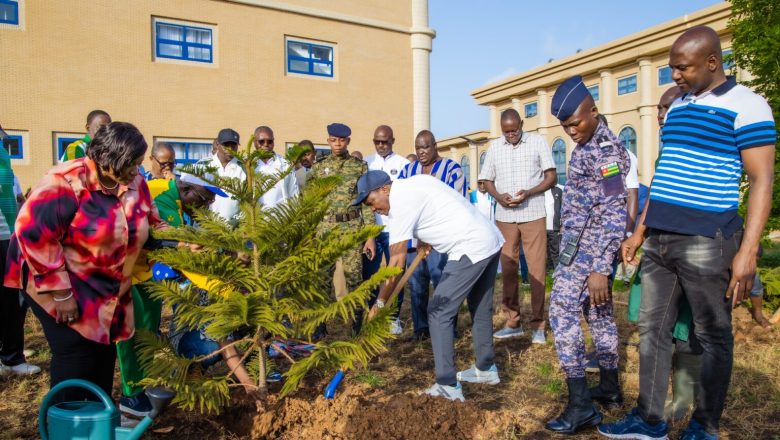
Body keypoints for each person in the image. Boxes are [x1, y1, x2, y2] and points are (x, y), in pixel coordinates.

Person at [601, 26, 776, 440]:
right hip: (660, 239)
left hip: (707, 241)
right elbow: (664, 175)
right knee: (652, 330)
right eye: (672, 68)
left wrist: (748, 252)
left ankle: (704, 426)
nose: (675, 76)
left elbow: (762, 180)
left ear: (712, 62)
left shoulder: (749, 106)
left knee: (712, 335)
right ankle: (649, 421)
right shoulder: (678, 106)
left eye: (682, 68)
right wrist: (640, 231)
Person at [4, 122, 166, 402]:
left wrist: (184, 240)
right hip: (53, 279)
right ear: (107, 159)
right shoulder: (65, 181)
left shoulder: (136, 183)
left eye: (139, 163)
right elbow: (35, 236)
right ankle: (68, 422)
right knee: (76, 351)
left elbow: (152, 221)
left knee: (104, 346)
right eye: (130, 163)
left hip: (102, 279)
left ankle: (98, 416)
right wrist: (61, 293)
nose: (136, 170)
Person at [355, 170, 503, 402]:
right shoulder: (414, 183)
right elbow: (437, 206)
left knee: (438, 311)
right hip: (489, 239)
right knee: (480, 307)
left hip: (469, 246)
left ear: (384, 189)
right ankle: (485, 370)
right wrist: (424, 240)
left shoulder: (400, 203)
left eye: (371, 202)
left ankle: (447, 385)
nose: (373, 209)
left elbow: (395, 263)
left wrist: (380, 302)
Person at [544, 75, 630, 434]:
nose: (571, 131)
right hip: (579, 248)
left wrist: (599, 267)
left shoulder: (606, 152)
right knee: (599, 315)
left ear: (594, 111)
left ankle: (581, 406)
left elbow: (614, 212)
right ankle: (609, 389)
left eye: (576, 123)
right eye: (565, 126)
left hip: (589, 252)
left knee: (561, 314)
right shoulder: (587, 145)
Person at [478, 108, 556, 344]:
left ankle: (538, 324)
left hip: (532, 213)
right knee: (509, 268)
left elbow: (552, 177)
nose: (511, 135)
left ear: (522, 123)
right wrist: (499, 197)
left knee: (535, 269)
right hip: (505, 215)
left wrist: (529, 193)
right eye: (506, 131)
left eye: (514, 130)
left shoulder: (538, 142)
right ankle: (513, 321)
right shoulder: (494, 147)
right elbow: (486, 180)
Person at [398, 130, 466, 340]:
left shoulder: (452, 169)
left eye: (426, 147)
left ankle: (446, 330)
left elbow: (456, 204)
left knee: (442, 285)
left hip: (440, 242)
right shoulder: (408, 170)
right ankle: (421, 329)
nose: (421, 152)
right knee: (417, 286)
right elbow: (400, 200)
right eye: (418, 147)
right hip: (414, 241)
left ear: (435, 146)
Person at [307, 123, 376, 323]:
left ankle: (356, 325)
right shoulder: (318, 168)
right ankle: (318, 327)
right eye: (334, 140)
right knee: (321, 279)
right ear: (328, 141)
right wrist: (309, 234)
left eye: (342, 140)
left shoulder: (359, 166)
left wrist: (370, 236)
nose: (338, 144)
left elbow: (366, 203)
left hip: (352, 230)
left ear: (348, 141)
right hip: (325, 230)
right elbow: (311, 203)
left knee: (354, 278)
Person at [0, 125, 40, 376]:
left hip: (7, 235)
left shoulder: (6, 166)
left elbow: (15, 198)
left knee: (13, 299)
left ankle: (11, 355)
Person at [364, 125, 410, 334]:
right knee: (372, 274)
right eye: (377, 142)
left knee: (394, 271)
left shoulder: (403, 164)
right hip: (373, 229)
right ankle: (373, 314)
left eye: (385, 142)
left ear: (393, 141)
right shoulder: (366, 163)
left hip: (395, 228)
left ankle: (393, 317)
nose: (381, 145)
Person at [198, 128, 246, 223]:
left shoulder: (244, 168)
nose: (230, 149)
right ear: (217, 144)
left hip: (235, 228)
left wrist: (236, 222)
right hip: (207, 226)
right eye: (226, 145)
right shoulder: (202, 165)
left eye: (234, 145)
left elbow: (248, 201)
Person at [252, 126, 299, 209]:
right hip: (256, 219)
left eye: (269, 141)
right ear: (254, 142)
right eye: (261, 141)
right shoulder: (247, 165)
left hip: (280, 219)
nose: (266, 144)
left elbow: (294, 195)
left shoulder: (286, 164)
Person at [543, 183, 564, 270]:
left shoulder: (558, 190)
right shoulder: (539, 192)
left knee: (555, 250)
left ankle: (557, 270)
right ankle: (548, 269)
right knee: (544, 251)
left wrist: (561, 224)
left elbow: (563, 208)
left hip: (554, 227)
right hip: (542, 227)